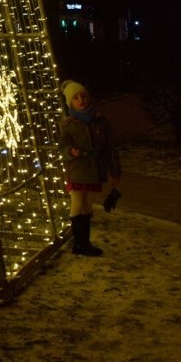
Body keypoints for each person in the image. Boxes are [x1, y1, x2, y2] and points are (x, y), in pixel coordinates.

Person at [59, 79, 122, 257]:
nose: (81, 100)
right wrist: (71, 152)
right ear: (71, 102)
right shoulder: (68, 124)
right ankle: (78, 243)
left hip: (94, 168)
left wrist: (115, 171)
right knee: (78, 203)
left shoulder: (99, 121)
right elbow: (62, 147)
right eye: (76, 97)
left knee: (88, 205)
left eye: (83, 96)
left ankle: (84, 243)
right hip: (78, 169)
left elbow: (110, 148)